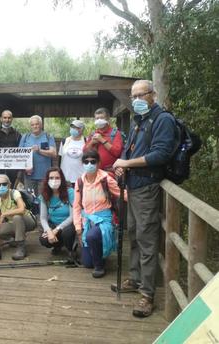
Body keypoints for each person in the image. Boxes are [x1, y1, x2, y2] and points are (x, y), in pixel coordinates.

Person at [113, 79, 177, 318]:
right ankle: (136, 278)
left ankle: (148, 295)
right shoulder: (138, 120)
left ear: (154, 94)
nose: (137, 99)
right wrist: (122, 165)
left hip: (147, 187)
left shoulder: (163, 120)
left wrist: (127, 163)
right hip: (132, 186)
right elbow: (128, 149)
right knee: (134, 235)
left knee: (147, 240)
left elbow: (161, 153)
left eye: (142, 95)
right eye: (134, 96)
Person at [73, 149, 125, 279]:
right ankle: (98, 254)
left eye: (93, 161)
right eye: (86, 161)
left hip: (104, 219)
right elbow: (77, 205)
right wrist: (78, 226)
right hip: (87, 219)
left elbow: (122, 194)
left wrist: (139, 199)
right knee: (87, 263)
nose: (89, 164)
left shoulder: (106, 179)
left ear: (98, 162)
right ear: (82, 163)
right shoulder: (80, 181)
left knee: (92, 236)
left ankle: (99, 266)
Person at [0, 174, 37, 260]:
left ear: (9, 184)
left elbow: (22, 209)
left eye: (4, 184)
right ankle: (14, 239)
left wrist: (4, 214)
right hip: (13, 224)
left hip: (28, 220)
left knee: (17, 217)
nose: (1, 186)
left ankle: (21, 248)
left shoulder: (15, 193)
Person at [38, 168, 75, 256]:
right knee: (44, 239)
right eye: (51, 178)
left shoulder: (70, 192)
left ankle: (71, 249)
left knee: (67, 233)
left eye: (57, 178)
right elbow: (43, 218)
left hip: (69, 225)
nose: (54, 180)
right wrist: (49, 231)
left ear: (62, 179)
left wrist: (57, 229)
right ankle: (57, 245)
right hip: (53, 224)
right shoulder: (44, 195)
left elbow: (72, 216)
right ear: (47, 180)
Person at [18, 115, 56, 196]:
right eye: (32, 124)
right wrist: (25, 167)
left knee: (44, 199)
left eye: (37, 124)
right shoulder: (25, 137)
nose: (35, 126)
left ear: (41, 125)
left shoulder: (48, 136)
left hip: (44, 175)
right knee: (30, 199)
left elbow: (53, 153)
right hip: (29, 176)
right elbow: (19, 155)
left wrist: (39, 150)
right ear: (30, 126)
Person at [84, 108, 124, 178]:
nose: (99, 120)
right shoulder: (93, 134)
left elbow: (117, 152)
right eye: (97, 118)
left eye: (102, 118)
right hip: (94, 173)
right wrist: (92, 142)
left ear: (108, 119)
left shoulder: (115, 133)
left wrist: (102, 140)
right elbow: (84, 152)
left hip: (110, 173)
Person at [0, 110, 22, 185]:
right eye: (5, 118)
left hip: (13, 168)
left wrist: (20, 170)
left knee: (13, 189)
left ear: (12, 119)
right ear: (1, 119)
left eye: (9, 118)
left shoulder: (17, 134)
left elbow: (22, 152)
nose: (7, 120)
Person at [58, 119, 86, 187]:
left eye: (77, 128)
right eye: (72, 127)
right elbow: (60, 158)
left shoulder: (86, 141)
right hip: (65, 178)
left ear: (81, 130)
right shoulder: (64, 141)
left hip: (81, 178)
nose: (74, 129)